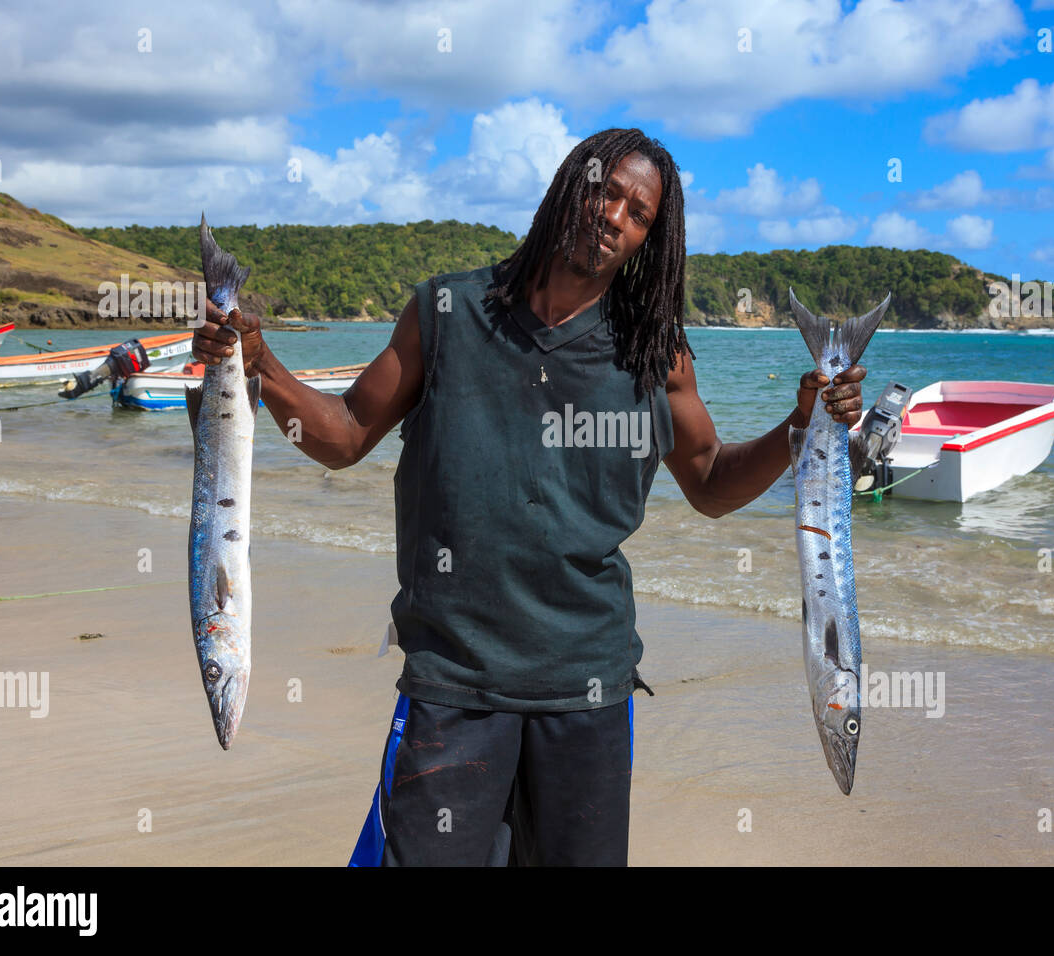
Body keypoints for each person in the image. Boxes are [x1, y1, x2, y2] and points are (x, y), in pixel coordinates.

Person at [192, 128, 867, 866]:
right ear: (569, 185)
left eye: (638, 213)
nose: (615, 216)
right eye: (605, 190)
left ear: (649, 239)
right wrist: (261, 367)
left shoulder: (654, 352)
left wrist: (799, 427)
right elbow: (345, 433)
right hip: (455, 680)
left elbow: (708, 482)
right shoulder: (447, 312)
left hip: (588, 687)